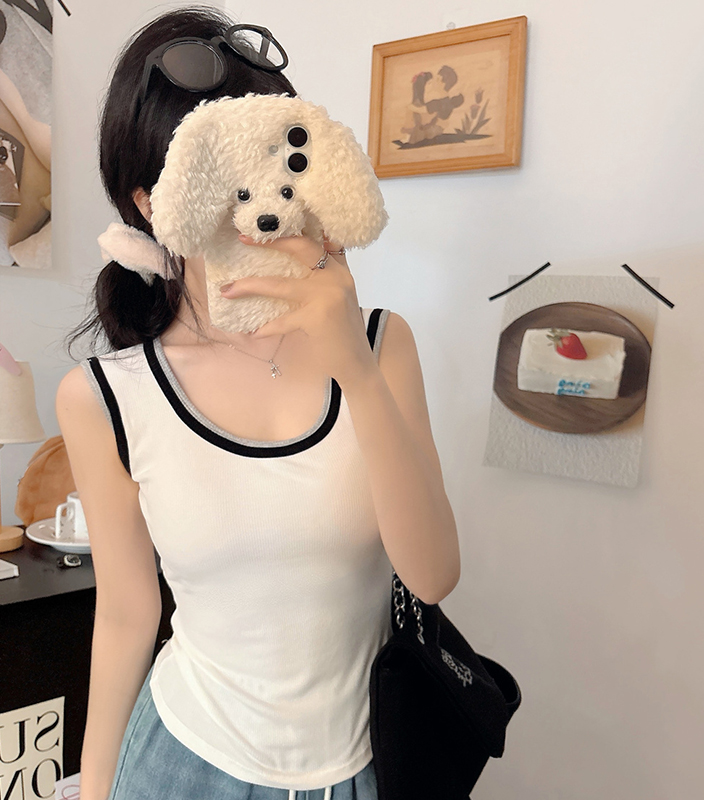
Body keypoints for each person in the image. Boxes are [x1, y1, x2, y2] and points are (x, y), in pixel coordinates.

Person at [57, 7, 460, 800]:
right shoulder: (106, 396)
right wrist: (96, 788)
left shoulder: (381, 344)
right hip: (182, 763)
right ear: (150, 202)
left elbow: (434, 574)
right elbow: (127, 613)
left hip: (362, 766)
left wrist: (355, 370)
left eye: (281, 153)